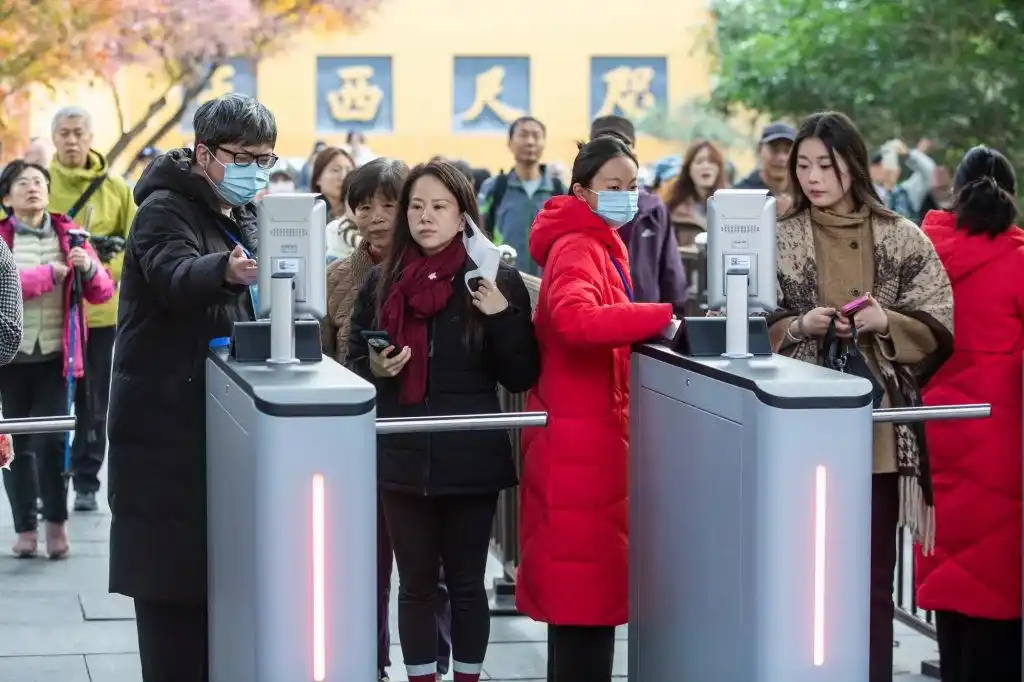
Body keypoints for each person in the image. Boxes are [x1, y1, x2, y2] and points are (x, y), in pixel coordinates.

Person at [764, 111, 953, 682]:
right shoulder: (776, 229)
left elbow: (939, 317)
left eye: (826, 164)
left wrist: (883, 319)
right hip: (793, 424)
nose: (814, 176)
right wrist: (798, 327)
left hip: (876, 432)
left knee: (869, 576)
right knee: (798, 574)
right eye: (804, 165)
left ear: (854, 163)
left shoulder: (901, 233)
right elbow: (739, 314)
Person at [347, 160, 540, 682]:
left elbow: (521, 371)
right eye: (416, 206)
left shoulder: (491, 279)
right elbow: (352, 362)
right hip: (402, 453)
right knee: (413, 584)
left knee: (465, 582)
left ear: (462, 216)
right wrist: (375, 367)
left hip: (469, 454)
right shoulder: (382, 283)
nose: (424, 217)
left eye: (438, 207)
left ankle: (469, 676)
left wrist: (502, 315)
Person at [107, 94, 276, 682]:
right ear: (204, 154)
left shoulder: (240, 210)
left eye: (266, 157)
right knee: (171, 604)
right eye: (244, 156)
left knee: (210, 605)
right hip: (163, 429)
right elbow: (174, 275)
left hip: (214, 419)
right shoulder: (163, 209)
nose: (256, 168)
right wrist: (225, 272)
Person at [516, 137, 675, 682]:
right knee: (584, 603)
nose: (626, 197)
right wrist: (658, 316)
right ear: (582, 191)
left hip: (587, 438)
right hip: (581, 445)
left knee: (582, 605)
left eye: (633, 187)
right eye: (614, 187)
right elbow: (574, 320)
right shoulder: (580, 246)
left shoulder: (596, 241)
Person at [321, 157, 454, 682]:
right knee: (364, 561)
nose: (376, 215)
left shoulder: (444, 269)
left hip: (423, 433)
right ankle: (367, 660)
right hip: (358, 436)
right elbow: (327, 357)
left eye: (388, 202)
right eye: (363, 204)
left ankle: (435, 662)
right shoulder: (335, 279)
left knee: (430, 565)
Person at [916, 146, 1023, 682]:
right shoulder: (1019, 260)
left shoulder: (924, 255)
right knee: (998, 587)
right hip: (1002, 442)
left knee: (948, 578)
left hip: (935, 435)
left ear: (954, 193)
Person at [0, 159, 114, 558]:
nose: (33, 188)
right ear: (6, 196)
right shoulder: (1, 239)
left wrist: (88, 267)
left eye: (39, 182)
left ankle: (56, 523)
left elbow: (103, 292)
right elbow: (8, 283)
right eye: (22, 183)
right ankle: (25, 528)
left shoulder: (71, 235)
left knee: (52, 443)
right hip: (7, 362)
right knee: (11, 444)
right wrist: (52, 273)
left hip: (55, 359)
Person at [47, 105, 136, 512]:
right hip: (46, 311)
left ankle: (85, 479)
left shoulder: (115, 187)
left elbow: (135, 243)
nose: (71, 140)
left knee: (93, 400)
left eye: (78, 132)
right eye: (64, 133)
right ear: (53, 138)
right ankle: (45, 479)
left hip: (99, 314)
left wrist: (105, 270)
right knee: (46, 401)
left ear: (90, 137)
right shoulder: (37, 183)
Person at [589, 116, 688, 316]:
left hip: (645, 325)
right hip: (593, 326)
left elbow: (671, 274)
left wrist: (674, 320)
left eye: (623, 145)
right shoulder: (574, 204)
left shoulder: (651, 209)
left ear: (633, 153)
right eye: (605, 145)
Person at [477, 116, 566, 275]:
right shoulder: (495, 188)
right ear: (510, 143)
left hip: (547, 285)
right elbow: (478, 234)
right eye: (523, 135)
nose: (530, 142)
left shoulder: (560, 191)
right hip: (503, 283)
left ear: (544, 143)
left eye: (536, 136)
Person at [660, 139, 730, 244]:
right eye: (699, 161)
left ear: (719, 168)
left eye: (711, 161)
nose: (706, 166)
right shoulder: (673, 210)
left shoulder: (731, 208)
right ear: (688, 169)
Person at [735, 121, 795, 215]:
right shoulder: (739, 194)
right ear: (759, 149)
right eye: (774, 150)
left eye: (787, 151)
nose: (781, 158)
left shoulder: (805, 193)